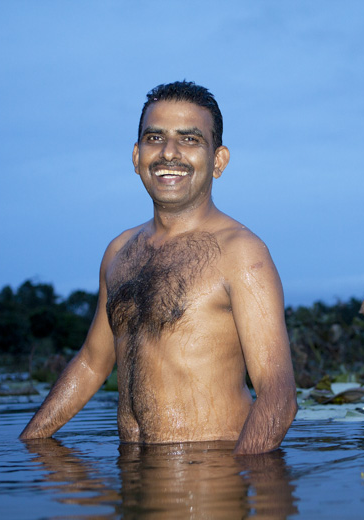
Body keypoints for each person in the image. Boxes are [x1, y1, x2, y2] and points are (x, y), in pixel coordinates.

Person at [20, 81, 296, 454]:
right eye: (155, 138)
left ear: (218, 161)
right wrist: (29, 444)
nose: (169, 153)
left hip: (212, 475)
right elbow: (91, 363)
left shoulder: (242, 253)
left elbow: (277, 393)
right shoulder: (119, 251)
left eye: (190, 139)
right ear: (136, 156)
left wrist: (243, 480)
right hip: (133, 473)